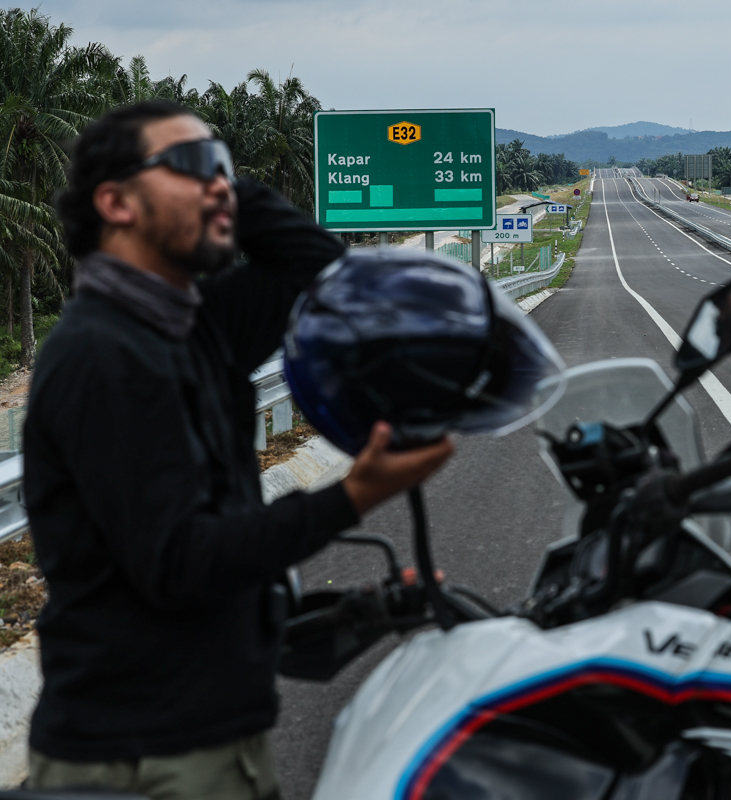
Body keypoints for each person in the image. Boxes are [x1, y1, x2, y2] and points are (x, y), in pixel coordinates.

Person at [21, 100, 453, 799]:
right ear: (115, 202)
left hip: (208, 737)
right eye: (190, 167)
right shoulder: (101, 354)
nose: (219, 183)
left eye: (223, 169)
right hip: (145, 758)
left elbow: (322, 274)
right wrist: (352, 497)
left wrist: (217, 181)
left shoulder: (196, 326)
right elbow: (181, 561)